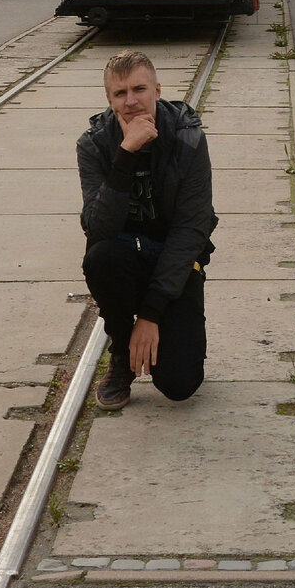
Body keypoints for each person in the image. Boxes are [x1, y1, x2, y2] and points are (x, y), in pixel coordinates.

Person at [77, 50, 217, 410]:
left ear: (157, 90)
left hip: (176, 260)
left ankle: (156, 327)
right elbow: (97, 227)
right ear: (109, 100)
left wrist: (152, 313)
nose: (131, 101)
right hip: (124, 255)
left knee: (179, 384)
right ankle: (122, 354)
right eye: (120, 94)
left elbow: (191, 230)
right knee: (101, 256)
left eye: (139, 89)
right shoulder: (94, 145)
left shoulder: (188, 139)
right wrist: (125, 154)